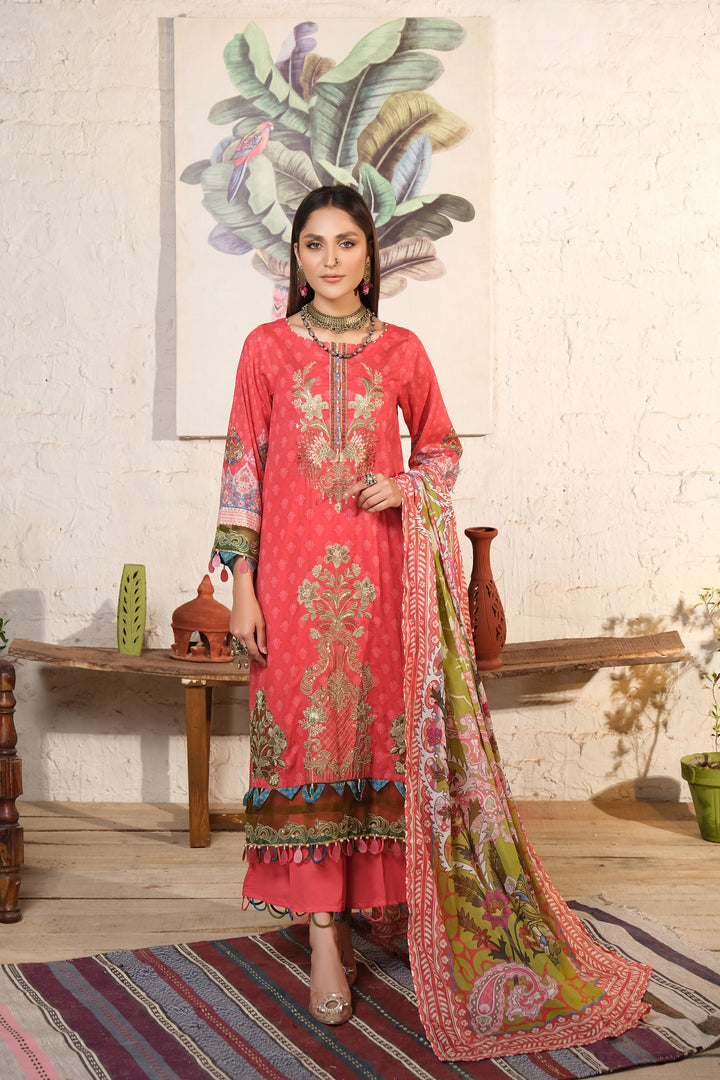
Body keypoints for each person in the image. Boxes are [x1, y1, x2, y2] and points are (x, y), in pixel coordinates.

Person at [211, 185, 652, 1057]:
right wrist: (242, 587)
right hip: (292, 587)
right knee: (305, 747)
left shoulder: (402, 351)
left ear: (369, 256)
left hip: (385, 585)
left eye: (345, 243)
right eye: (313, 244)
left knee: (376, 747)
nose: (330, 259)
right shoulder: (265, 348)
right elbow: (240, 469)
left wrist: (405, 485)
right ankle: (324, 936)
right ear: (295, 258)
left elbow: (442, 448)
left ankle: (363, 909)